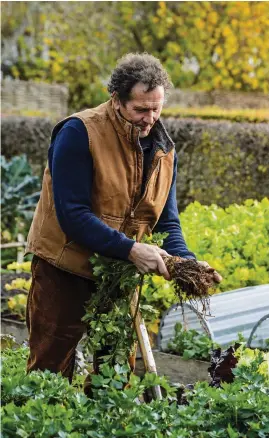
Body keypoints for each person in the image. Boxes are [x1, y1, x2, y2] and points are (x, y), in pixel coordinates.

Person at [25, 53, 220, 386]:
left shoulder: (163, 149)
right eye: (140, 110)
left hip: (118, 276)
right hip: (65, 269)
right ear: (116, 100)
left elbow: (165, 221)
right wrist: (132, 250)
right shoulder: (79, 133)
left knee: (116, 375)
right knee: (49, 374)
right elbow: (72, 215)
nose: (150, 119)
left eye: (156, 108)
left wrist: (185, 264)